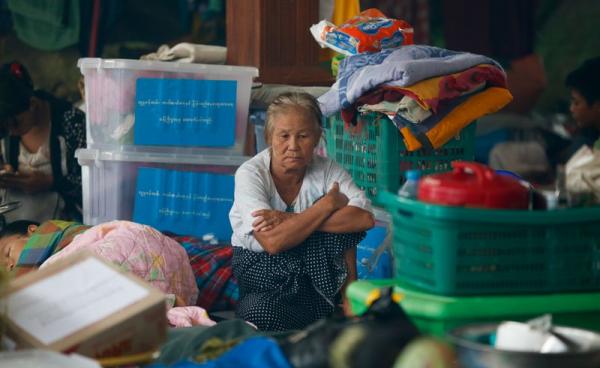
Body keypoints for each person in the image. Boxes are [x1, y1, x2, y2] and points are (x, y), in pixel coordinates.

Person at [229, 92, 375, 331]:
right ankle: (321, 320)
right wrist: (326, 206)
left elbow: (364, 219)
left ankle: (347, 299)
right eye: (284, 136)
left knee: (346, 223)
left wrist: (289, 218)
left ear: (318, 138)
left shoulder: (328, 170)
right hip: (266, 274)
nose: (293, 146)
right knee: (258, 313)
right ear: (269, 137)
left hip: (316, 279)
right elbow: (272, 242)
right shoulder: (251, 173)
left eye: (303, 136)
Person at [0, 219, 199, 307]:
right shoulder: (53, 260)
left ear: (32, 231)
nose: (9, 265)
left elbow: (20, 285)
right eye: (3, 267)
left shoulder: (50, 230)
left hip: (131, 239)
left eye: (7, 252)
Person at [0, 61, 86, 223]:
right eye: (5, 129)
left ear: (32, 104)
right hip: (16, 224)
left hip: (64, 224)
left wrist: (51, 183)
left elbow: (93, 186)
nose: (11, 132)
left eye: (15, 124)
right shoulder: (8, 129)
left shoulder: (72, 122)